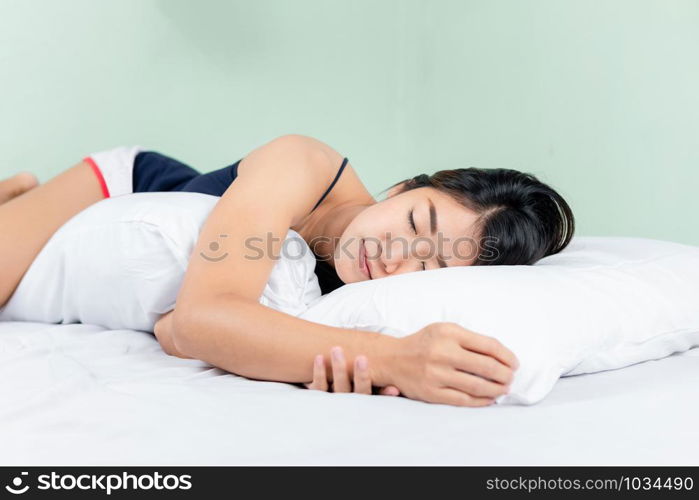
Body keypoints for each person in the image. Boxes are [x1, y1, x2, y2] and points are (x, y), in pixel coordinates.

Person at [0, 134, 574, 407]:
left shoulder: (376, 298)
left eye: (432, 264)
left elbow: (177, 332)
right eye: (414, 222)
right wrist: (397, 361)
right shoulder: (301, 165)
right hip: (119, 189)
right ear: (402, 187)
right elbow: (199, 322)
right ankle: (21, 199)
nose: (398, 256)